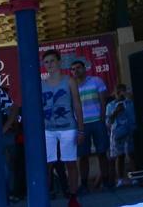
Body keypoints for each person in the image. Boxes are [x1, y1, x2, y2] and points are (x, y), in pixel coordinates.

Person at [40, 50, 83, 207]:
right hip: (48, 129)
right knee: (47, 164)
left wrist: (81, 129)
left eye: (52, 61)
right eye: (46, 62)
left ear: (59, 61)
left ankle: (73, 197)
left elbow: (77, 105)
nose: (49, 64)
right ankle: (45, 197)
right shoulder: (41, 84)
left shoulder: (69, 81)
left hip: (68, 127)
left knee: (70, 162)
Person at [70, 59, 109, 191]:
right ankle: (85, 185)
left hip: (97, 122)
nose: (76, 71)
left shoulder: (96, 81)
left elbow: (103, 101)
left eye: (78, 68)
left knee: (102, 153)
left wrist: (102, 119)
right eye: (73, 69)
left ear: (84, 68)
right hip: (81, 125)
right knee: (83, 156)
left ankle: (106, 182)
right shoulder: (71, 86)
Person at [106, 84, 137, 188]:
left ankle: (135, 177)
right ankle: (120, 179)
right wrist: (116, 112)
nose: (120, 94)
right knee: (120, 156)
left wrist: (129, 98)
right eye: (118, 92)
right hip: (117, 133)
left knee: (132, 154)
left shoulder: (130, 103)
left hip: (130, 130)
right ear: (114, 93)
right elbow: (108, 122)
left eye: (122, 91)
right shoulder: (110, 106)